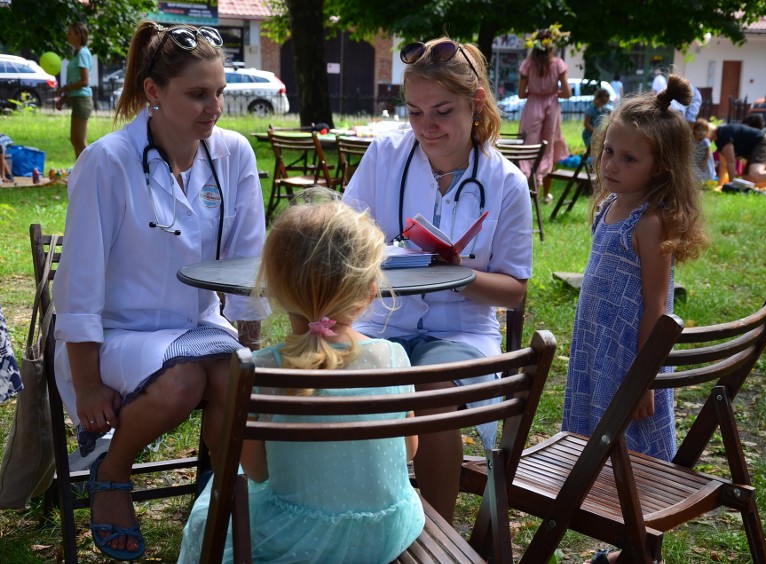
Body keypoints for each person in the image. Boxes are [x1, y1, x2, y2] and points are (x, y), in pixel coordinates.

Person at [52, 20, 269, 560]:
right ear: (154, 92)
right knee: (184, 382)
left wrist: (251, 342)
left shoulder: (233, 155)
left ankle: (220, 503)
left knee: (236, 378)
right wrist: (87, 385)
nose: (213, 108)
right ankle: (113, 471)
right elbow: (77, 284)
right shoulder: (106, 161)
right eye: (197, 94)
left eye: (219, 92)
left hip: (197, 326)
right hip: (113, 337)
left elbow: (248, 261)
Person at [342, 37, 532, 523]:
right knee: (338, 383)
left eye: (442, 111)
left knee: (430, 395)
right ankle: (359, 518)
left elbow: (514, 290)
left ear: (476, 104)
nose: (426, 126)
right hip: (382, 321)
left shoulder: (506, 182)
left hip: (461, 332)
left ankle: (436, 533)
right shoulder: (384, 156)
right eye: (414, 111)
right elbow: (340, 240)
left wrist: (458, 277)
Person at [179, 196, 425, 563]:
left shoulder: (260, 371)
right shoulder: (393, 357)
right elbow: (409, 451)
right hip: (387, 531)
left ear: (274, 289)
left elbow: (260, 474)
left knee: (205, 517)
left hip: (300, 541)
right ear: (369, 291)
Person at [563, 75, 708, 487]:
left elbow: (657, 306)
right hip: (598, 349)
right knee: (598, 452)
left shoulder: (649, 223)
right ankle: (623, 543)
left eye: (629, 159)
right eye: (609, 151)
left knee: (635, 459)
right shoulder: (608, 206)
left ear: (660, 166)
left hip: (631, 358)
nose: (611, 164)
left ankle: (640, 544)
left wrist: (644, 381)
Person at [517, 27, 571, 203]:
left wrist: (534, 92)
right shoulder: (558, 64)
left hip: (532, 105)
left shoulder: (527, 64)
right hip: (551, 106)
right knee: (548, 148)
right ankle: (545, 194)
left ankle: (528, 190)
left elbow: (520, 94)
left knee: (529, 147)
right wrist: (553, 92)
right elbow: (567, 92)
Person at [703, 118, 766, 189]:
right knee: (747, 182)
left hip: (763, 143)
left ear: (707, 131)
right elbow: (723, 165)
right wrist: (720, 185)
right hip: (755, 149)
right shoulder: (719, 140)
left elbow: (731, 162)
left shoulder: (723, 134)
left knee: (755, 173)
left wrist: (732, 184)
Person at [56, 22, 94, 159]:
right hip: (76, 99)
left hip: (82, 101)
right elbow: (75, 81)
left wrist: (64, 89)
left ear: (79, 35)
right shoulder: (76, 53)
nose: (68, 35)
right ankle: (80, 174)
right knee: (74, 139)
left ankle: (91, 173)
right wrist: (64, 98)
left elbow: (84, 81)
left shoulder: (83, 53)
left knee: (80, 141)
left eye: (70, 33)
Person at [691, 118, 717, 185]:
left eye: (704, 130)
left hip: (705, 160)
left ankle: (706, 183)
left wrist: (704, 162)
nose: (701, 132)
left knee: (705, 172)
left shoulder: (705, 141)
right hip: (696, 159)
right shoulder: (693, 141)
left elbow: (708, 153)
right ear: (694, 130)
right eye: (699, 130)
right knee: (695, 172)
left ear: (707, 131)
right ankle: (697, 182)